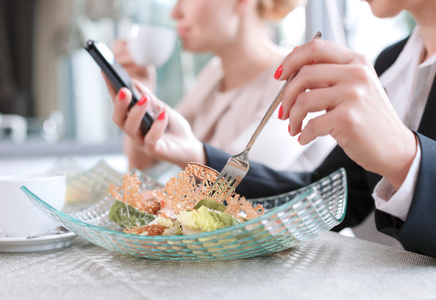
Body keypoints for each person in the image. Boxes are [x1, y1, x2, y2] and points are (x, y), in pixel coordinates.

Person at [106, 0, 436, 259]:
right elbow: (324, 198)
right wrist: (197, 154)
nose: (176, 10)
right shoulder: (390, 64)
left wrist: (406, 158)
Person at [112, 0, 335, 172]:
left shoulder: (301, 81)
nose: (174, 12)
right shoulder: (214, 73)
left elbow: (235, 184)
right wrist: (139, 93)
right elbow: (144, 167)